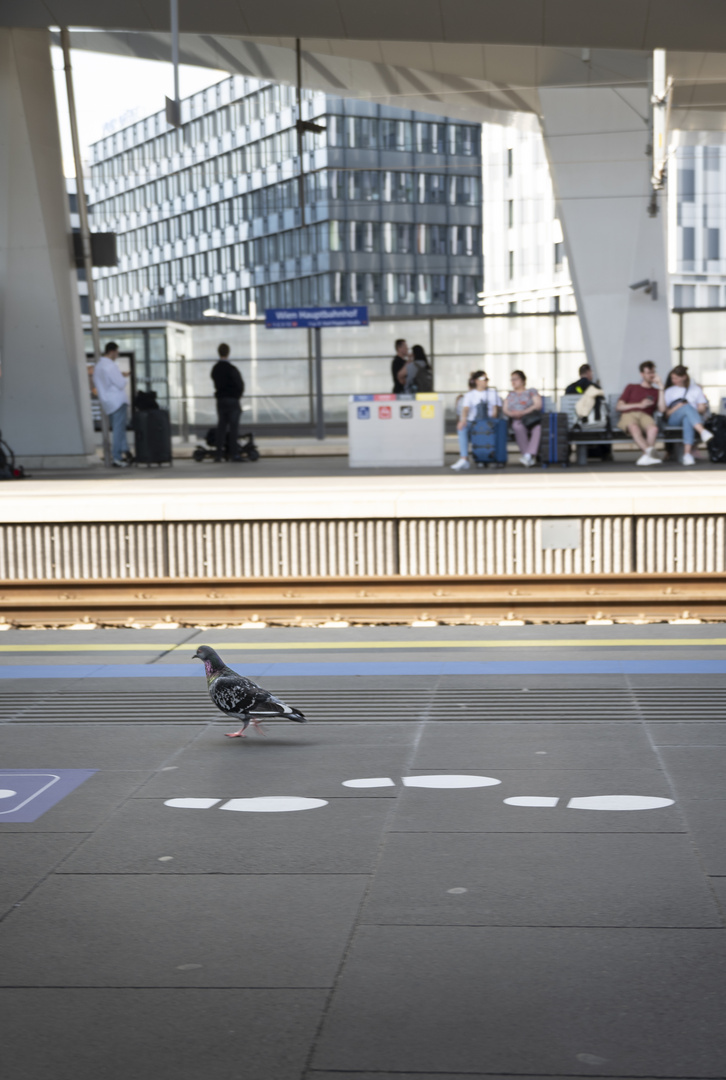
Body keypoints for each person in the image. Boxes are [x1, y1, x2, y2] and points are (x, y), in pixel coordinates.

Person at [616, 360, 666, 466]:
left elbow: (662, 409)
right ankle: (651, 453)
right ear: (642, 374)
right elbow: (619, 407)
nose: (651, 375)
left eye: (653, 372)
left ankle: (647, 456)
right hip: (629, 414)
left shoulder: (656, 391)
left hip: (646, 416)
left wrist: (661, 388)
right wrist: (640, 405)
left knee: (653, 429)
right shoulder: (631, 387)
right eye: (648, 373)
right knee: (634, 428)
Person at [451, 371, 502, 471]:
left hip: (488, 422)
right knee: (462, 428)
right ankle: (464, 458)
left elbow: (495, 412)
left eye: (487, 379)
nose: (486, 381)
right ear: (476, 381)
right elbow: (465, 409)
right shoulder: (470, 395)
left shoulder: (492, 393)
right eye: (484, 379)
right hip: (473, 422)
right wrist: (463, 420)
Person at [663, 364, 713, 466]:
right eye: (672, 378)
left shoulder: (696, 389)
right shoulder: (669, 391)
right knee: (686, 408)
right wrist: (680, 406)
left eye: (676, 378)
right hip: (674, 419)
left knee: (687, 418)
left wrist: (696, 408)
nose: (673, 380)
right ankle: (702, 431)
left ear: (684, 377)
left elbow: (702, 409)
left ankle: (687, 455)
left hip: (692, 418)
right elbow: (666, 413)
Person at [93, 341, 130, 467]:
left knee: (117, 429)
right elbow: (120, 383)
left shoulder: (98, 366)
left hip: (107, 401)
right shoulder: (110, 366)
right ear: (112, 351)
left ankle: (126, 452)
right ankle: (117, 457)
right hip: (117, 400)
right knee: (119, 430)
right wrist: (124, 377)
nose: (117, 355)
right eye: (117, 352)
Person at [211, 343, 244, 462]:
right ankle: (234, 454)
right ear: (228, 353)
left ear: (218, 352)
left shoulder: (216, 369)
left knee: (221, 427)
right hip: (232, 401)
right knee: (233, 428)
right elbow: (240, 384)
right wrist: (237, 396)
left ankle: (218, 454)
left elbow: (215, 382)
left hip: (221, 400)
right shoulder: (231, 369)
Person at [502, 370, 542, 467]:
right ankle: (528, 456)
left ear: (523, 380)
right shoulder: (510, 394)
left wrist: (523, 412)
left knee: (538, 429)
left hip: (531, 419)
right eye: (511, 380)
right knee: (517, 426)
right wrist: (513, 414)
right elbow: (505, 409)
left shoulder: (531, 391)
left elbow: (538, 405)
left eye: (515, 379)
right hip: (517, 420)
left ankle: (528, 455)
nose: (513, 382)